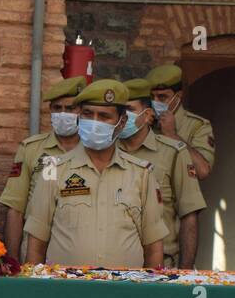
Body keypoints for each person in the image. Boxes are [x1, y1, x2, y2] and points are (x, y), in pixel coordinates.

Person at [24, 79, 165, 269]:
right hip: (65, 291)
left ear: (121, 122)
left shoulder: (141, 174)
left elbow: (153, 247)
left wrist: (151, 295)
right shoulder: (53, 170)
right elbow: (36, 244)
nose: (94, 123)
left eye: (104, 116)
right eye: (88, 114)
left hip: (126, 291)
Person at [118, 77, 206, 269]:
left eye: (129, 110)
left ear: (148, 113)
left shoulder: (173, 152)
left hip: (162, 266)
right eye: (119, 110)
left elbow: (189, 214)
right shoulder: (108, 152)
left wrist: (185, 273)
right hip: (114, 266)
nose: (123, 116)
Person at [0, 75, 85, 259]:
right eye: (57, 108)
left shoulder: (94, 151)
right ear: (50, 111)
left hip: (77, 250)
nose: (63, 114)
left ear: (82, 112)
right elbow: (15, 208)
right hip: (33, 250)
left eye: (70, 108)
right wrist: (13, 260)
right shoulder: (31, 149)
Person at [146, 63, 216, 181]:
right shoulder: (144, 121)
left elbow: (202, 171)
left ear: (178, 96)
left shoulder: (197, 126)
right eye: (152, 97)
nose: (155, 102)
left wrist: (172, 135)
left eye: (162, 97)